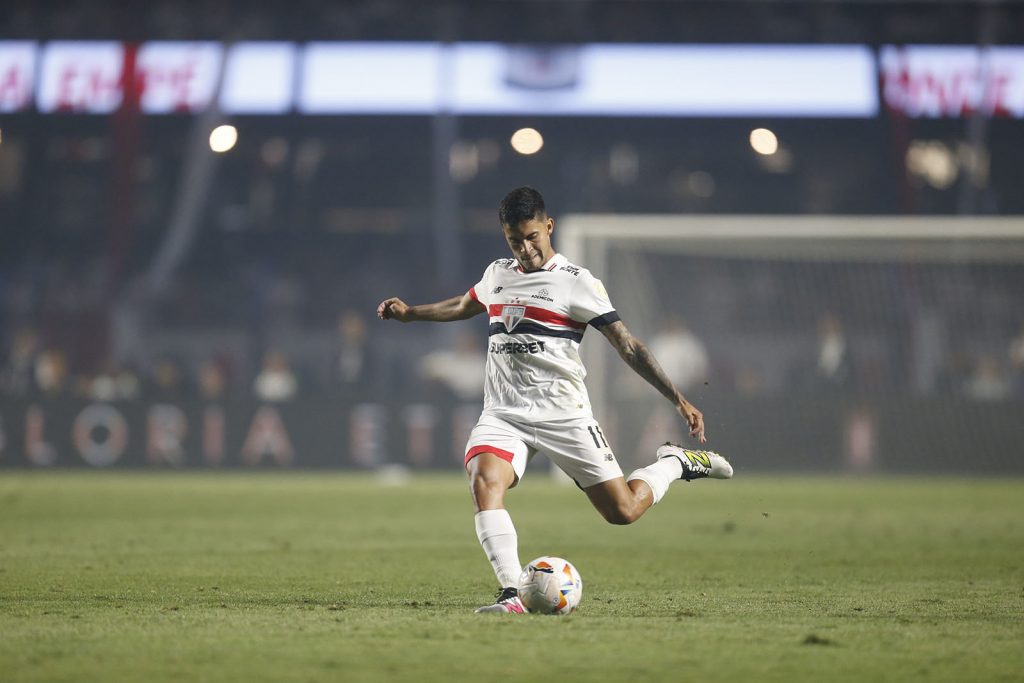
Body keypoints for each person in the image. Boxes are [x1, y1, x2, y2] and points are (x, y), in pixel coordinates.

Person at [377, 186, 732, 614]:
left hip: (564, 415)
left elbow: (628, 346)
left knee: (622, 511)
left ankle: (673, 462)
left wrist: (679, 399)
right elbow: (464, 304)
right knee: (483, 482)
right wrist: (411, 313)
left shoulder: (577, 283)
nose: (526, 249)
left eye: (532, 237)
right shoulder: (498, 274)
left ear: (549, 226)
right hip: (504, 414)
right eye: (515, 241)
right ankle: (512, 594)